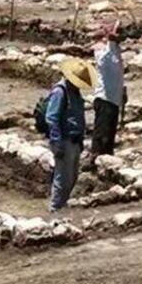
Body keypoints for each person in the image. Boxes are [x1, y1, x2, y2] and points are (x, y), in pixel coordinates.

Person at [45, 58, 96, 211]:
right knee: (62, 179)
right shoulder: (60, 92)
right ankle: (54, 210)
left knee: (72, 178)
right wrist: (56, 142)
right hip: (64, 140)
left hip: (74, 140)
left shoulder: (74, 92)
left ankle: (62, 207)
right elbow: (51, 117)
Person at [90, 22, 125, 161]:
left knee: (109, 135)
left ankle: (107, 162)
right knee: (102, 135)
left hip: (114, 98)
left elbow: (117, 72)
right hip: (105, 98)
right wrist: (110, 42)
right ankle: (95, 161)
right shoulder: (101, 50)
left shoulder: (114, 49)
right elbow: (105, 64)